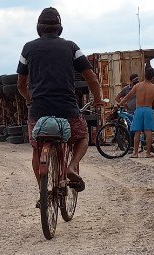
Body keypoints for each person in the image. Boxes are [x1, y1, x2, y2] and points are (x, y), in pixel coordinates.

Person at [17, 7, 104, 193]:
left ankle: (43, 192)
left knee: (37, 148)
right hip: (67, 110)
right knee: (82, 137)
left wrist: (29, 99)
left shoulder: (28, 48)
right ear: (60, 28)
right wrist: (98, 100)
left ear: (38, 28)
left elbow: (21, 84)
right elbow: (92, 79)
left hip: (38, 112)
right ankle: (71, 167)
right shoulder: (71, 47)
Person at [119, 66, 154, 159]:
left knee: (137, 132)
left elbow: (128, 96)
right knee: (148, 132)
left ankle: (135, 153)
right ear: (153, 77)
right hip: (148, 110)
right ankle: (148, 153)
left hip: (139, 109)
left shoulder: (137, 86)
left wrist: (120, 103)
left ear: (144, 75)